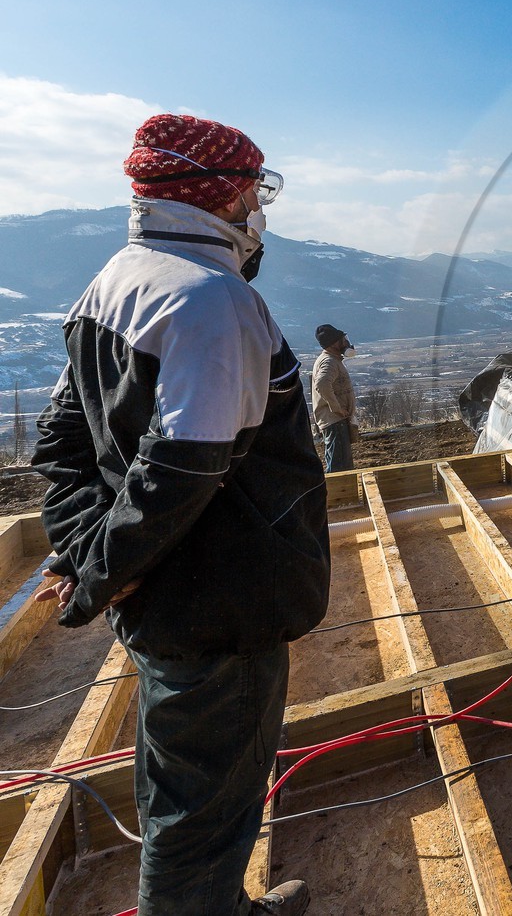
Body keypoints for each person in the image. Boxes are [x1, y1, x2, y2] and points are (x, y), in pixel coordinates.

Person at [31, 114, 329, 916]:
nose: (256, 206)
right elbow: (179, 473)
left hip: (167, 601)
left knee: (182, 784)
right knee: (207, 812)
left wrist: (89, 554)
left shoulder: (114, 281)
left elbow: (62, 444)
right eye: (251, 188)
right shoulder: (213, 302)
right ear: (225, 192)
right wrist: (99, 574)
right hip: (221, 605)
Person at [311, 324, 357, 474]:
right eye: (342, 339)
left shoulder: (331, 359)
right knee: (340, 468)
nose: (346, 342)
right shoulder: (329, 361)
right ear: (334, 343)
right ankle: (338, 496)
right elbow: (322, 384)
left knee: (339, 464)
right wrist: (336, 408)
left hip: (335, 421)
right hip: (335, 421)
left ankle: (339, 495)